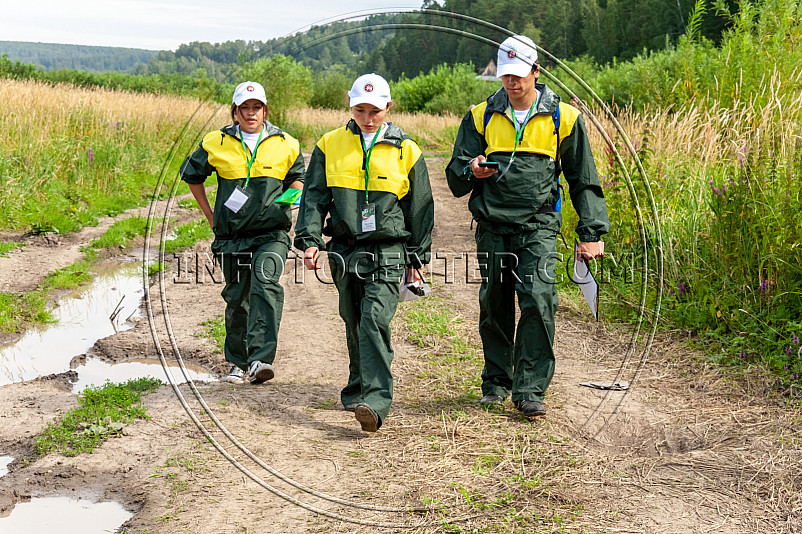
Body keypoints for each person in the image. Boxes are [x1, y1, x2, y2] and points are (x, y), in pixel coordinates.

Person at [445, 36, 610, 418]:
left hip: (538, 225)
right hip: (493, 225)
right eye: (505, 75)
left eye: (519, 75)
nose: (512, 82)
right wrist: (471, 169)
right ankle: (496, 382)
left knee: (538, 300)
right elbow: (455, 177)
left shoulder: (563, 118)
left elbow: (582, 178)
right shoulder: (479, 116)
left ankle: (530, 389)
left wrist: (591, 232)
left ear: (536, 71)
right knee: (495, 302)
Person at [294, 73, 434, 432]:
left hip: (388, 250)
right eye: (360, 109)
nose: (368, 117)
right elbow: (313, 197)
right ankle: (357, 387)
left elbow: (420, 209)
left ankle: (375, 400)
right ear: (349, 103)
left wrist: (416, 259)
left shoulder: (407, 149)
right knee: (353, 319)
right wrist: (310, 240)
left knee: (373, 317)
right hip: (343, 250)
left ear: (389, 107)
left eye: (375, 110)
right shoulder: (329, 144)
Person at [180, 81, 305, 385]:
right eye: (244, 107)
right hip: (231, 237)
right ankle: (238, 363)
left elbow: (299, 179)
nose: (251, 113)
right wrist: (211, 215)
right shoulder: (215, 142)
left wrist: (280, 207)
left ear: (265, 110)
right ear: (234, 111)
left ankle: (261, 359)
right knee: (238, 298)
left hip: (271, 235)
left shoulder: (286, 143)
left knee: (266, 284)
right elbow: (191, 176)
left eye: (256, 107)